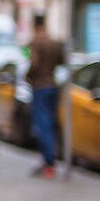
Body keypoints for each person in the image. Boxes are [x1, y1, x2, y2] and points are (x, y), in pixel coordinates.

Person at [27, 14, 65, 179]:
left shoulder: (35, 43)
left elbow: (33, 63)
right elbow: (62, 61)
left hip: (40, 86)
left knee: (43, 125)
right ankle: (49, 161)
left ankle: (48, 163)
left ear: (35, 25)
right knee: (50, 123)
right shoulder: (55, 43)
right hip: (53, 84)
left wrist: (27, 76)